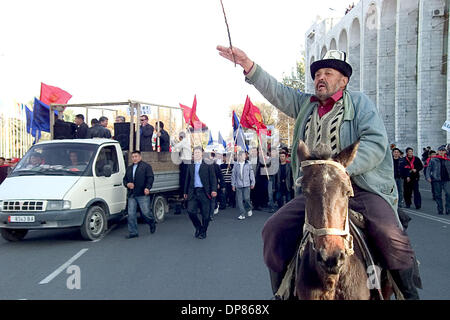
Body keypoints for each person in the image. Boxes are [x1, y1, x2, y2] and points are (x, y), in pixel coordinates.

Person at [217, 46, 420, 299]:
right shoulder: (305, 105)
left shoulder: (360, 103)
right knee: (273, 230)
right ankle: (281, 292)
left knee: (391, 236)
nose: (320, 78)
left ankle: (409, 294)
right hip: (316, 192)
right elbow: (278, 92)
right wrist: (248, 65)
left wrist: (340, 169)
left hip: (358, 188)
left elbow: (376, 142)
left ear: (343, 81)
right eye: (317, 75)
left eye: (328, 73)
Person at [184, 146, 217, 239]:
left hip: (204, 192)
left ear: (202, 153)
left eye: (198, 152)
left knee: (205, 214)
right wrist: (185, 192)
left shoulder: (208, 164)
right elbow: (187, 179)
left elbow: (213, 178)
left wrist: (214, 190)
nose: (196, 154)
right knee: (190, 211)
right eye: (195, 153)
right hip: (193, 192)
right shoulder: (191, 165)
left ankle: (204, 231)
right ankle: (198, 227)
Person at [123, 150, 156, 239]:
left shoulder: (146, 167)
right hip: (132, 195)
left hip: (142, 193)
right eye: (133, 157)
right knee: (131, 214)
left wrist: (147, 188)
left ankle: (151, 222)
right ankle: (133, 232)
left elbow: (150, 178)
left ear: (140, 157)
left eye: (136, 156)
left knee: (146, 213)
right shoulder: (129, 168)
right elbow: (125, 180)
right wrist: (127, 184)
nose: (134, 158)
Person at [426, 145, 450, 215]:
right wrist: (428, 177)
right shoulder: (433, 159)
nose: (441, 152)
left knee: (448, 194)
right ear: (438, 151)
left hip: (447, 179)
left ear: (445, 152)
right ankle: (440, 209)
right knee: (438, 195)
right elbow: (428, 169)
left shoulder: (448, 159)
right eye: (440, 151)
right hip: (437, 179)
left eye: (443, 151)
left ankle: (448, 208)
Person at [232, 151, 255, 220]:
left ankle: (249, 208)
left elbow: (251, 174)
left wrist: (253, 182)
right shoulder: (236, 164)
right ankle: (242, 213)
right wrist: (233, 184)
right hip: (238, 185)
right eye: (242, 155)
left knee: (246, 198)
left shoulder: (248, 164)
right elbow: (233, 175)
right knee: (239, 200)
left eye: (244, 155)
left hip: (247, 184)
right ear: (239, 156)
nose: (244, 157)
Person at [172, 131, 192, 213]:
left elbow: (176, 147)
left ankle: (184, 199)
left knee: (184, 181)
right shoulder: (186, 142)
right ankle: (185, 201)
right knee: (185, 181)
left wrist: (173, 140)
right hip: (186, 162)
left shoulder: (184, 141)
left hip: (185, 162)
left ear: (180, 137)